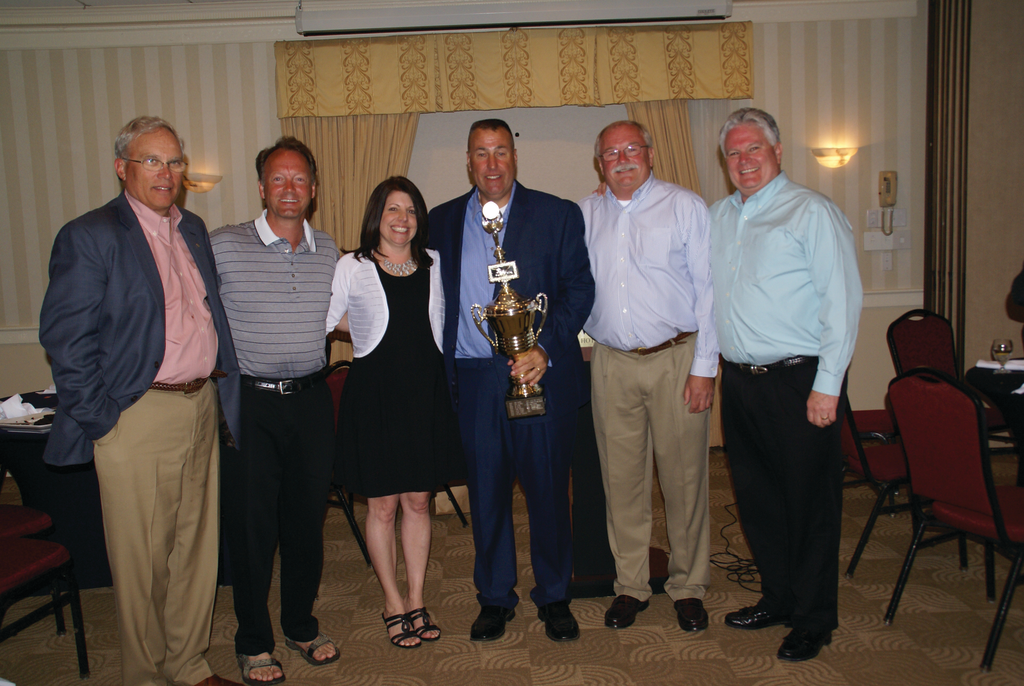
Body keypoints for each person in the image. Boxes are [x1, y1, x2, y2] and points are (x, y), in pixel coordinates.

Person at [38, 116, 242, 686]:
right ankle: (145, 676)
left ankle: (188, 664)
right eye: (152, 160)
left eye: (174, 161)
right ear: (121, 168)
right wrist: (105, 421)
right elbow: (65, 339)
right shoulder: (93, 234)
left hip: (200, 406)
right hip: (137, 415)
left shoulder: (192, 228)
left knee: (194, 554)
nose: (166, 172)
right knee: (143, 564)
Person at [427, 119, 595, 642]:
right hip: (476, 380)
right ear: (469, 162)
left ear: (514, 158)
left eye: (501, 151)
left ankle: (554, 595)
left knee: (547, 491)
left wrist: (545, 348)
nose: (492, 163)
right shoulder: (441, 222)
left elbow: (579, 291)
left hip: (538, 372)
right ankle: (495, 597)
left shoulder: (557, 214)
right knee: (487, 493)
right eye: (482, 153)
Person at [709, 107, 863, 662]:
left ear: (777, 152)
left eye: (754, 149)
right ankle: (777, 596)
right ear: (724, 162)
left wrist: (828, 386)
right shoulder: (718, 217)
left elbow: (842, 305)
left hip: (801, 381)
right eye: (734, 152)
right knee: (757, 500)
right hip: (742, 384)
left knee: (809, 503)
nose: (744, 160)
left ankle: (814, 617)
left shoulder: (812, 212)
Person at [579, 121, 718, 633]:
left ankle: (687, 585)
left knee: (684, 480)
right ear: (600, 164)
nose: (622, 159)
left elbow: (708, 291)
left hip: (676, 358)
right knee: (622, 482)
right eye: (610, 153)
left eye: (631, 149)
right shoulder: (585, 213)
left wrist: (705, 368)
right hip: (611, 362)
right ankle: (631, 585)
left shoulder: (685, 207)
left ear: (651, 154)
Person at [211, 137, 339, 685]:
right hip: (251, 405)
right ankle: (253, 640)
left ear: (313, 189)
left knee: (307, 523)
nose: (290, 189)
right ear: (262, 188)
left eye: (300, 180)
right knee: (252, 528)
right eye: (278, 179)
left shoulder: (330, 249)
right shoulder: (222, 245)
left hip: (312, 402)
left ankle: (300, 624)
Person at [326, 176, 466, 650]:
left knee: (419, 502)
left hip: (423, 395)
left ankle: (418, 597)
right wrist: (362, 326)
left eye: (410, 210)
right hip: (376, 397)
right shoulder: (353, 264)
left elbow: (443, 322)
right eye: (393, 209)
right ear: (377, 216)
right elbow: (330, 320)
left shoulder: (435, 263)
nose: (402, 218)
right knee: (383, 505)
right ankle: (392, 601)